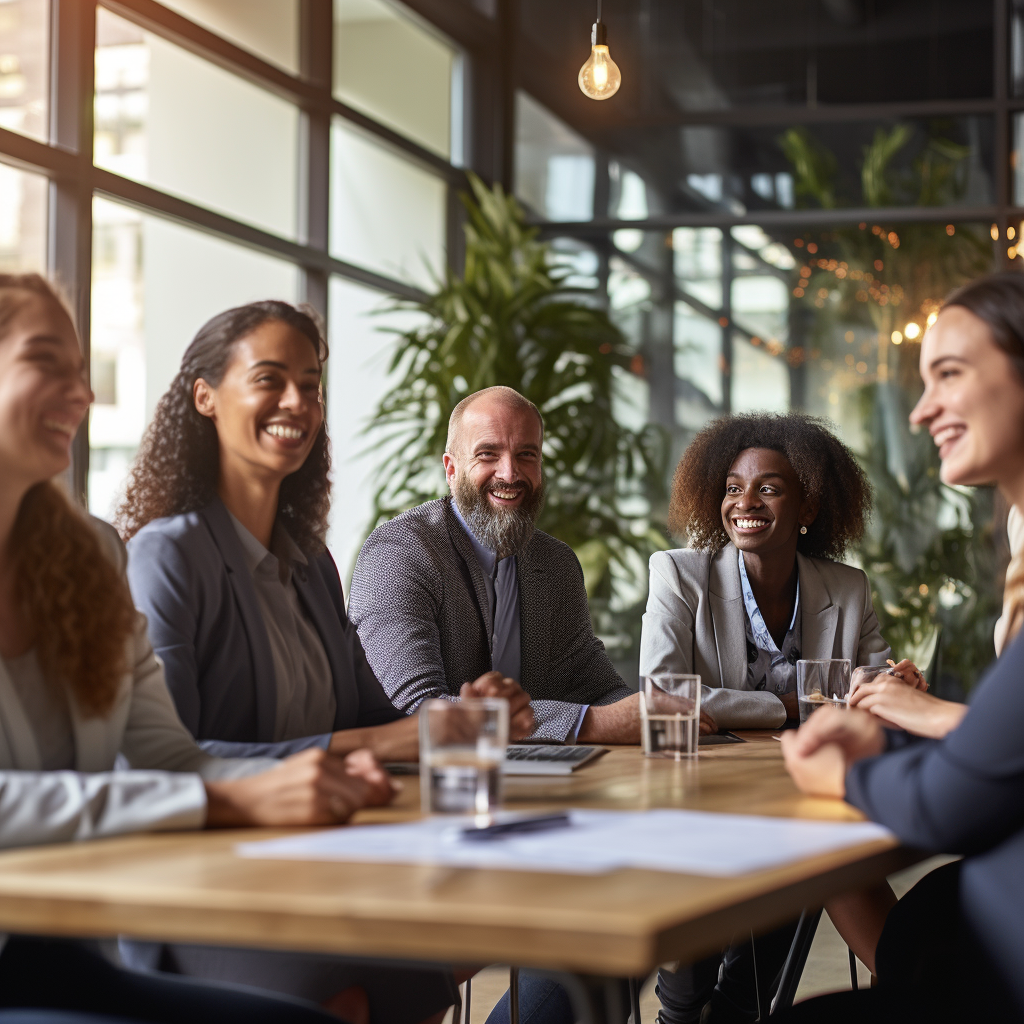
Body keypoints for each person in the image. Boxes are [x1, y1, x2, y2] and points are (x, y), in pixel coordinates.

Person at [0, 272, 394, 1023]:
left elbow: (165, 753)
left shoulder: (89, 554)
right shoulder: (163, 552)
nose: (78, 394)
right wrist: (229, 795)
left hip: (53, 952)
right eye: (44, 360)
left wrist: (305, 781)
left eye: (80, 373)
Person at [116, 301, 517, 1022]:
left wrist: (461, 717)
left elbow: (369, 714)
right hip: (199, 889)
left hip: (316, 860)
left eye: (311, 383)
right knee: (390, 968)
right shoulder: (167, 555)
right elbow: (164, 761)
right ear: (205, 396)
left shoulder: (311, 565)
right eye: (270, 379)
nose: (297, 402)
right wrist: (391, 741)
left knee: (491, 916)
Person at [779, 270, 1024, 1022]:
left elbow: (959, 802)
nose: (920, 413)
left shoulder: (844, 583)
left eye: (948, 373)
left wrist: (846, 774)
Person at [640, 413, 925, 1024]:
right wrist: (796, 707)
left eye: (768, 488)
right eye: (733, 487)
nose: (745, 502)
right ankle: (682, 1008)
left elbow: (868, 690)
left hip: (799, 794)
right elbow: (665, 694)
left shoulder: (847, 588)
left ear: (808, 506)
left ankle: (740, 1005)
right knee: (687, 993)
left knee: (774, 934)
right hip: (703, 791)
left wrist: (893, 686)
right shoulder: (680, 575)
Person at [349, 385, 648, 744]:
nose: (509, 473)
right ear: (451, 468)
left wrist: (659, 712)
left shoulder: (556, 563)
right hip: (428, 785)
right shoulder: (399, 553)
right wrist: (593, 724)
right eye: (488, 454)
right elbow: (417, 710)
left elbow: (597, 690)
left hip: (541, 778)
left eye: (526, 454)